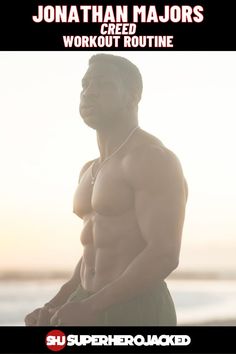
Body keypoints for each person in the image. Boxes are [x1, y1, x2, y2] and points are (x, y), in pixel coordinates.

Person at [25, 54, 188, 326]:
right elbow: (98, 245)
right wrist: (58, 301)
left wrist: (90, 307)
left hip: (136, 307)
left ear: (132, 96)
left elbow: (164, 253)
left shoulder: (152, 158)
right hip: (87, 300)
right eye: (85, 85)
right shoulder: (89, 169)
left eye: (103, 85)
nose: (89, 93)